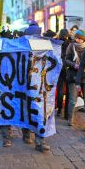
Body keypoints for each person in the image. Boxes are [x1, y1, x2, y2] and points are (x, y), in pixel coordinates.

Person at [23, 21, 51, 152]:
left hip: (38, 87)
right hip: (24, 85)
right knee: (27, 110)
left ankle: (39, 140)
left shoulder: (46, 47)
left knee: (38, 112)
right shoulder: (21, 47)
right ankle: (27, 134)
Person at [65, 30, 85, 126]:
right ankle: (70, 120)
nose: (77, 40)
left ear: (83, 39)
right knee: (72, 99)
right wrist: (74, 65)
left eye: (79, 38)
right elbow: (66, 60)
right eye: (76, 38)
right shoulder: (71, 46)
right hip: (73, 75)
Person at [56, 29, 71, 117]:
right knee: (68, 90)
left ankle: (59, 109)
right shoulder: (70, 43)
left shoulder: (57, 43)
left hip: (60, 68)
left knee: (60, 90)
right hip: (68, 68)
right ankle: (66, 113)